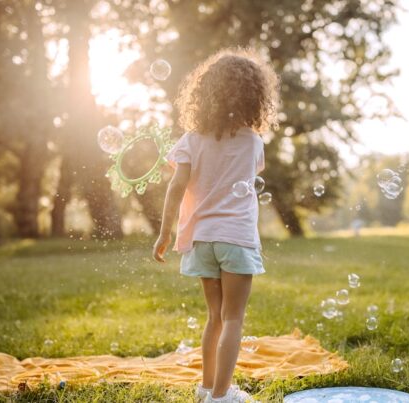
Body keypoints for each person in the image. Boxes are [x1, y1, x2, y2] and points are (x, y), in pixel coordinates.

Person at [152, 47, 279, 403]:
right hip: (236, 239)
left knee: (214, 318)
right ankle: (222, 396)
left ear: (204, 94)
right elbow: (248, 171)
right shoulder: (254, 141)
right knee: (233, 318)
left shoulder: (190, 140)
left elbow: (179, 186)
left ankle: (206, 388)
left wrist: (165, 233)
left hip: (202, 239)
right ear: (255, 98)